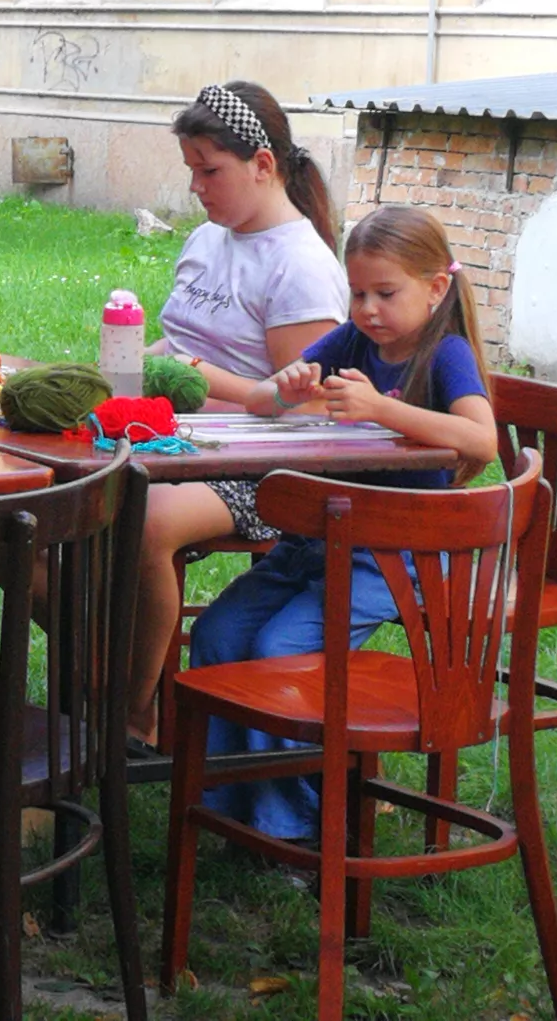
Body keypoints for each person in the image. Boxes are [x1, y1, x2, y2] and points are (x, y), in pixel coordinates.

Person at [189, 205, 497, 841]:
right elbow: (265, 398)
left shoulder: (447, 354)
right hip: (314, 545)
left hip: (392, 559)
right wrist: (290, 386)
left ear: (436, 287)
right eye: (358, 292)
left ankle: (294, 824)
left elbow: (482, 439)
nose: (367, 308)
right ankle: (223, 804)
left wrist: (382, 408)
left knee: (280, 652)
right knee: (219, 635)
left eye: (386, 293)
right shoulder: (354, 341)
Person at [129, 81, 349, 748]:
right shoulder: (206, 239)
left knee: (144, 520)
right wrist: (140, 359)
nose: (197, 186)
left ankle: (130, 713)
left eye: (209, 170)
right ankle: (109, 674)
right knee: (11, 518)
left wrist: (187, 376)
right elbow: (179, 340)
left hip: (263, 469)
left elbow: (295, 401)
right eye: (191, 170)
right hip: (175, 441)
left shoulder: (301, 265)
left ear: (262, 165)